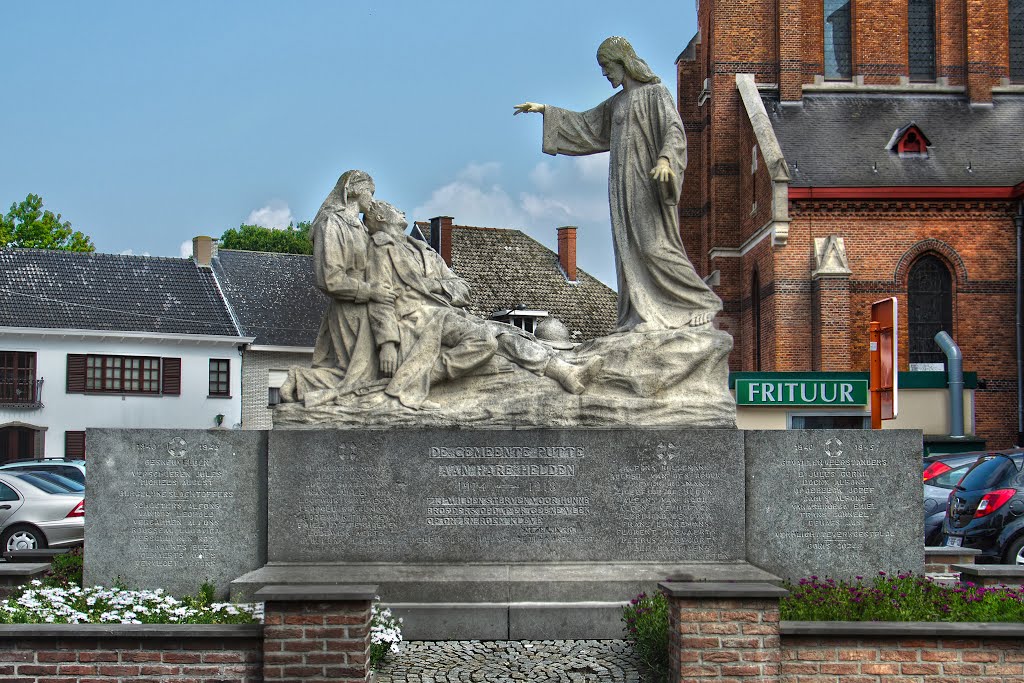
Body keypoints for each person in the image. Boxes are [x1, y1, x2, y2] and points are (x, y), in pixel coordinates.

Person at [514, 36, 722, 333]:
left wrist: (665, 160)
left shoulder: (656, 94)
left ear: (623, 63)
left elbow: (674, 131)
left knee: (655, 246)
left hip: (649, 182)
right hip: (623, 185)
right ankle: (640, 313)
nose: (604, 74)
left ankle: (700, 303)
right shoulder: (617, 103)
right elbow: (586, 124)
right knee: (629, 249)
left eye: (607, 66)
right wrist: (545, 110)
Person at [363, 199, 603, 409]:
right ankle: (419, 379)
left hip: (444, 314)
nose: (402, 210)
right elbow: (379, 297)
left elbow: (463, 289)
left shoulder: (424, 250)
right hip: (415, 317)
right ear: (381, 217)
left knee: (505, 332)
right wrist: (387, 342)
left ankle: (565, 373)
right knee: (484, 339)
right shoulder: (379, 248)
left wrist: (434, 286)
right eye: (393, 208)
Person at [279, 170, 395, 404]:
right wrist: (370, 291)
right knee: (356, 378)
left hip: (368, 310)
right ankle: (301, 380)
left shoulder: (361, 228)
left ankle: (304, 382)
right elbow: (329, 278)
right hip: (348, 310)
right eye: (370, 193)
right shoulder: (331, 223)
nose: (372, 200)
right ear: (354, 191)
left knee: (365, 375)